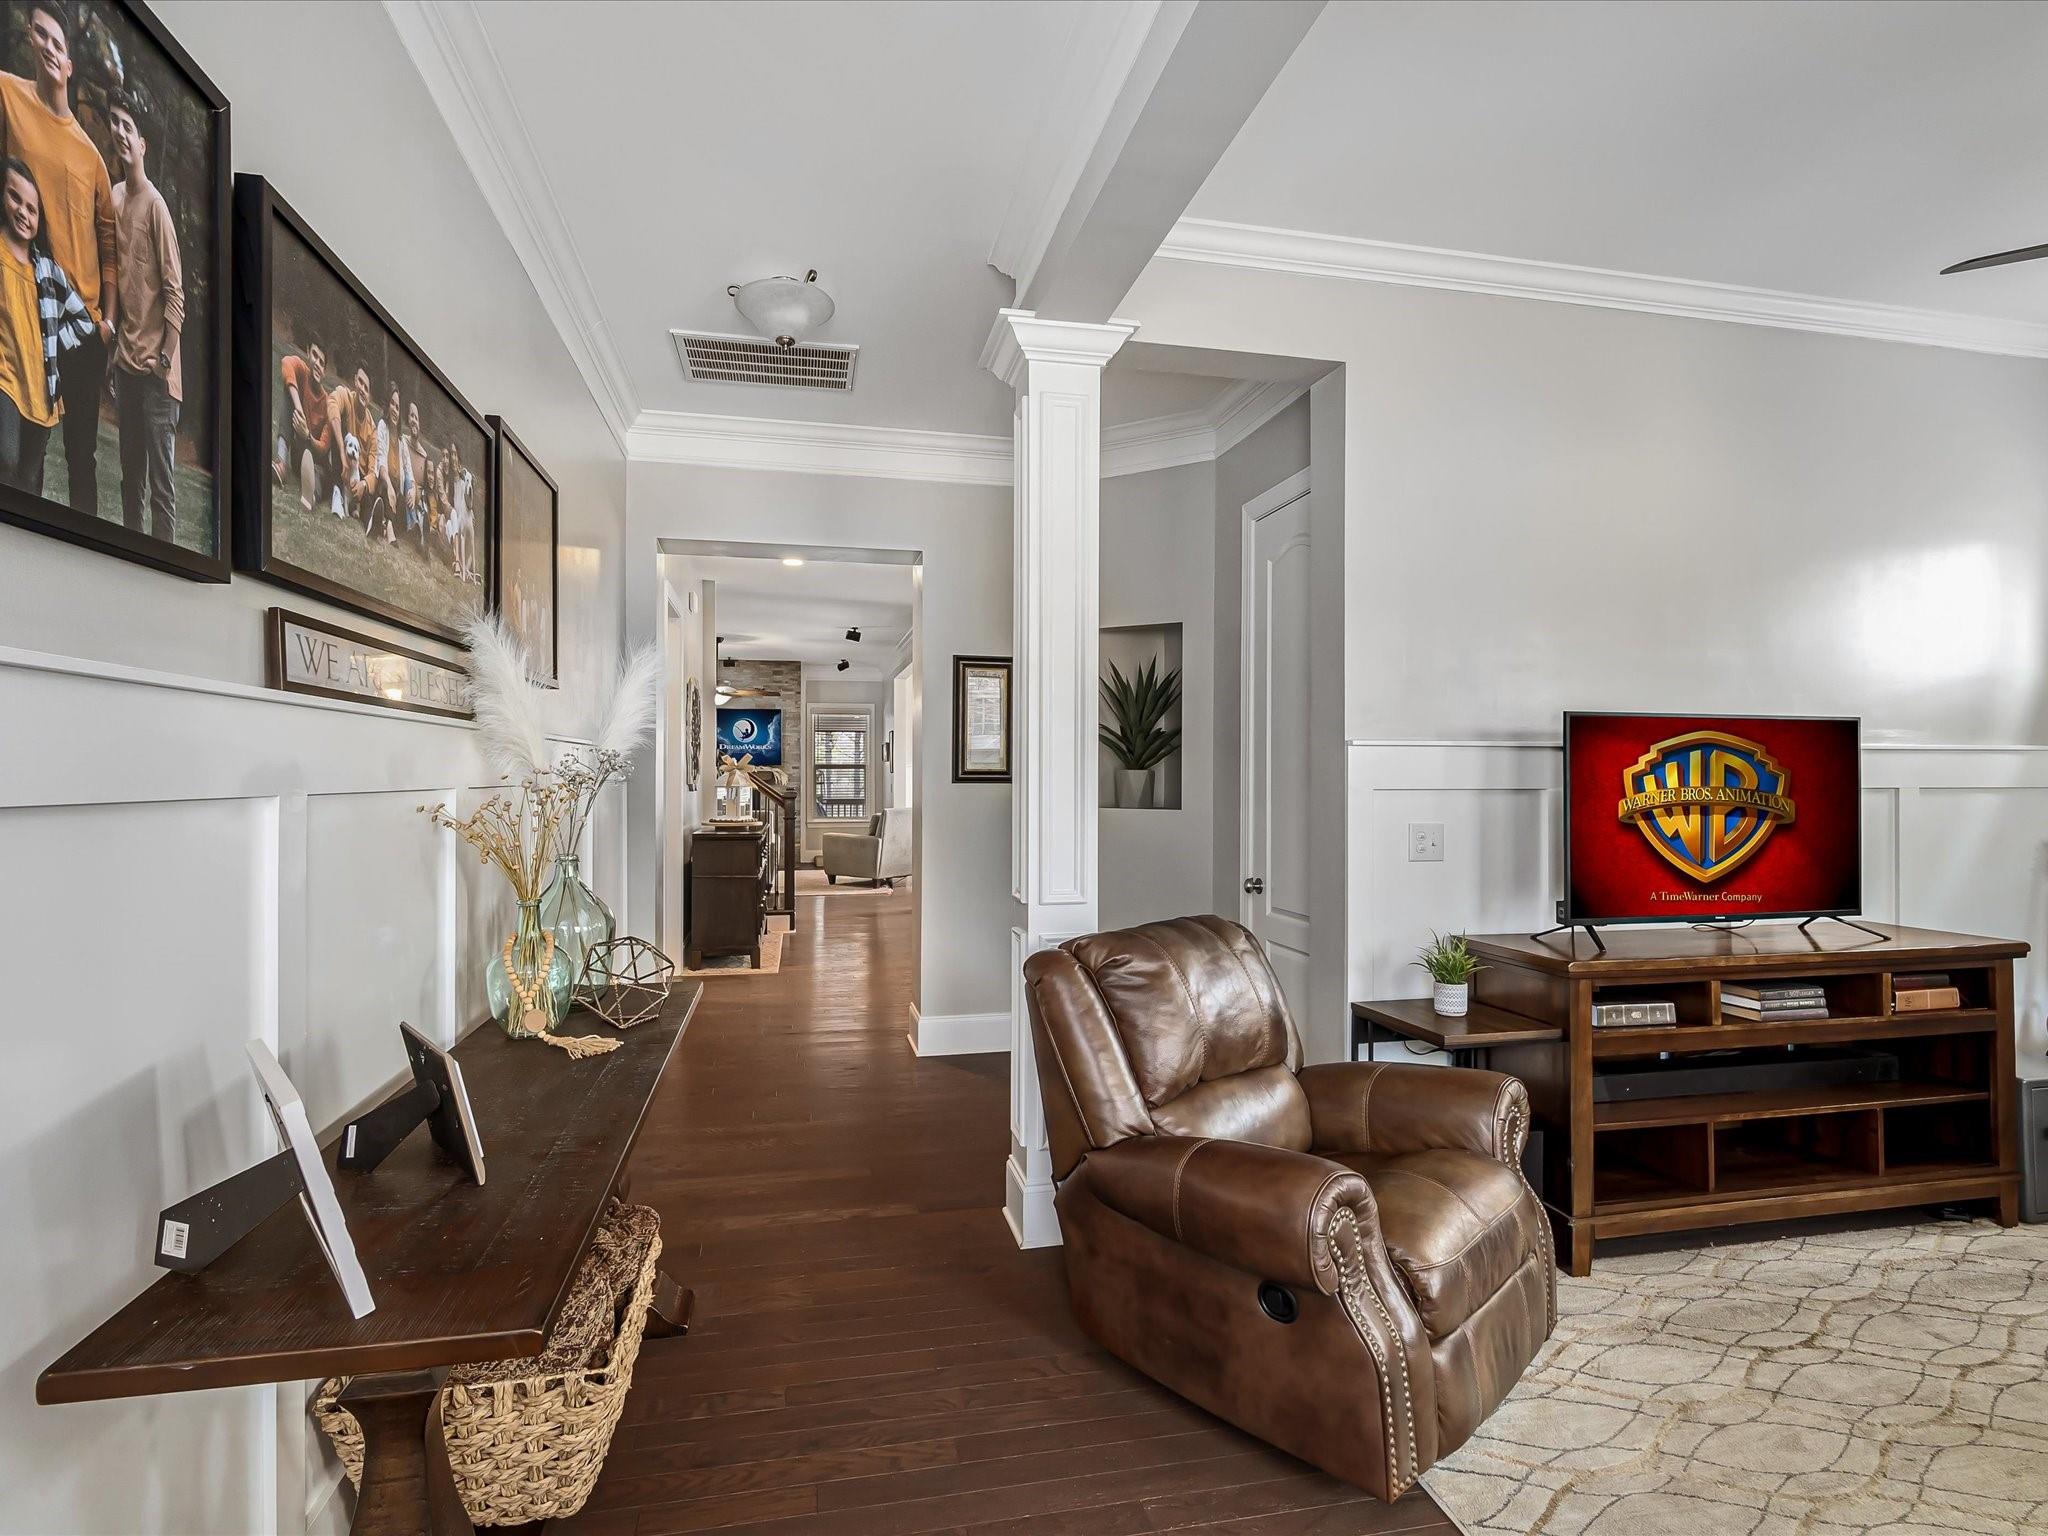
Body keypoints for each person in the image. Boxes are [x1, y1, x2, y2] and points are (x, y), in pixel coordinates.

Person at [0, 2, 117, 513]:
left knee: (81, 458)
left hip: (82, 322)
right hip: (28, 302)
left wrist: (108, 322)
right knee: (29, 446)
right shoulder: (7, 94)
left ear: (70, 64)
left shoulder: (91, 155)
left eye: (59, 43)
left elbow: (110, 248)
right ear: (30, 40)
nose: (49, 46)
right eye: (40, 36)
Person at [106, 92, 181, 542]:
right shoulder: (115, 199)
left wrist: (165, 361)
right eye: (113, 122)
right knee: (128, 482)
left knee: (161, 492)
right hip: (126, 369)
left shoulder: (156, 208)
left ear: (142, 143)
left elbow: (176, 296)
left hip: (157, 378)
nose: (118, 132)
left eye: (127, 126)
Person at [0, 156, 90, 489]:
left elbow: (83, 320)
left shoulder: (48, 272)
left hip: (40, 388)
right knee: (5, 458)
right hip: (5, 379)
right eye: (14, 198)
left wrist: (52, 343)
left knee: (27, 480)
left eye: (31, 208)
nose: (23, 212)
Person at [274, 334, 335, 514]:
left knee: (320, 471)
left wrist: (307, 434)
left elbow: (324, 446)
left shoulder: (327, 402)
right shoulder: (302, 370)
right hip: (299, 452)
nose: (317, 363)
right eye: (314, 356)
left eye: (321, 362)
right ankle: (281, 462)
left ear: (324, 370)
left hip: (316, 454)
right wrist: (299, 409)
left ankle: (312, 496)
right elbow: (286, 362)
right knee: (289, 392)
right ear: (308, 353)